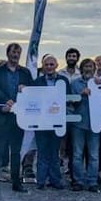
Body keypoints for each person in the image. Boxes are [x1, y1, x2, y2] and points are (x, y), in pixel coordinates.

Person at [0, 43, 34, 193]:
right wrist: (0, 108)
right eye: (13, 52)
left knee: (16, 152)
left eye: (18, 52)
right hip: (2, 116)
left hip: (19, 117)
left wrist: (26, 90)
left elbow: (32, 94)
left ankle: (16, 183)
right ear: (7, 53)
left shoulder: (25, 73)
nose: (15, 55)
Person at [31, 54, 69, 190]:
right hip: (41, 121)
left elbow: (68, 99)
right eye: (46, 65)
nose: (49, 67)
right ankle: (41, 181)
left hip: (57, 121)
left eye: (51, 64)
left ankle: (55, 180)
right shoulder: (37, 82)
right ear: (43, 66)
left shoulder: (64, 80)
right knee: (42, 151)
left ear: (56, 66)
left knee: (54, 152)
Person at [69, 58, 101, 192]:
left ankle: (92, 182)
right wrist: (80, 94)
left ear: (94, 69)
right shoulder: (74, 83)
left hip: (95, 123)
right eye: (86, 66)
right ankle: (78, 181)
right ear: (81, 69)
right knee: (77, 154)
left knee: (94, 155)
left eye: (91, 67)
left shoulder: (100, 83)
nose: (88, 69)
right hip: (78, 123)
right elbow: (70, 101)